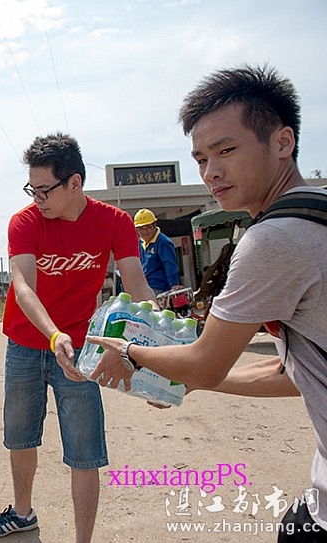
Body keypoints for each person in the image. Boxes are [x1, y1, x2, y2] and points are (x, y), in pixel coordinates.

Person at [87, 65, 327, 542]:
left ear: (283, 142)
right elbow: (297, 373)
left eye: (226, 150)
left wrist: (131, 353)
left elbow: (203, 362)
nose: (211, 171)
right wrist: (196, 380)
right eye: (200, 158)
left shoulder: (273, 239)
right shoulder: (315, 215)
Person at [0, 134, 155, 541]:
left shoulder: (114, 222)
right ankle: (23, 513)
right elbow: (23, 287)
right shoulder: (25, 222)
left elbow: (137, 286)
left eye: (45, 189)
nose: (37, 198)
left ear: (75, 182)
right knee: (20, 436)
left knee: (84, 450)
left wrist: (157, 358)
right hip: (26, 344)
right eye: (31, 189)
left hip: (81, 350)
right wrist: (53, 334)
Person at [133, 208, 180, 294]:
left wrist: (174, 284)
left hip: (159, 288)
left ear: (154, 225)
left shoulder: (163, 242)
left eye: (148, 227)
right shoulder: (140, 243)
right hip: (144, 287)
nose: (145, 231)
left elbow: (170, 264)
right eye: (141, 228)